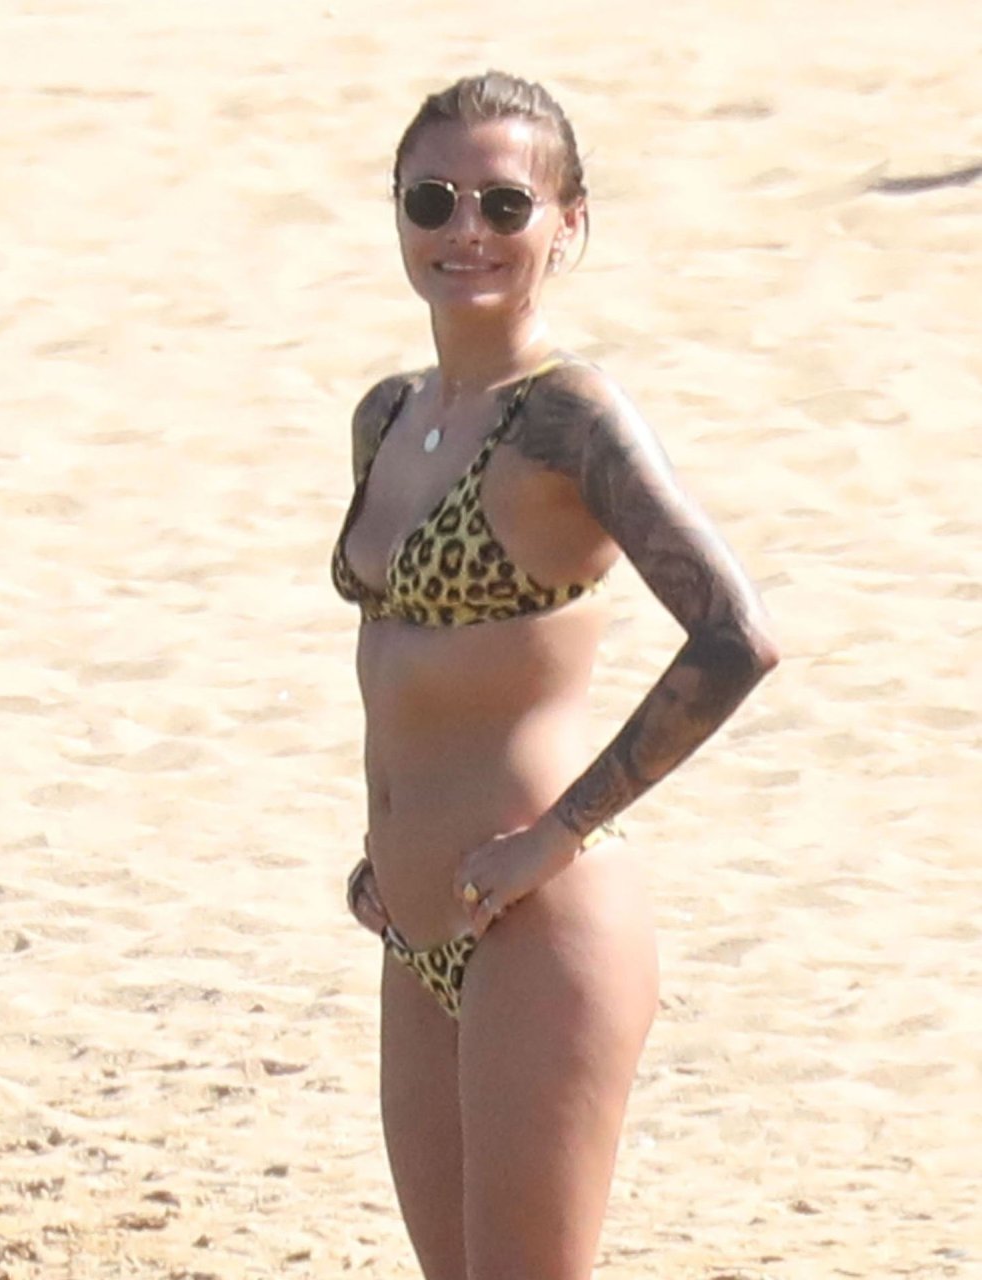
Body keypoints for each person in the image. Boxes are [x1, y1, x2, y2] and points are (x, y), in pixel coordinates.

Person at [332, 70, 779, 1280]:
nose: (465, 230)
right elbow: (410, 669)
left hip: (540, 918)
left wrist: (559, 831)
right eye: (432, 200)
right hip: (416, 917)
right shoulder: (387, 417)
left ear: (568, 224)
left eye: (504, 203)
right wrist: (387, 845)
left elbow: (735, 635)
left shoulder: (567, 418)